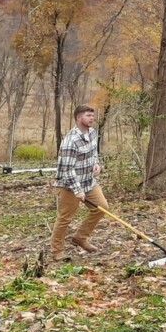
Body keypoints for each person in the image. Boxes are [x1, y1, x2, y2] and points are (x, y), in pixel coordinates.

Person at [50, 103, 106, 257]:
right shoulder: (71, 141)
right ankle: (57, 251)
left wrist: (96, 163)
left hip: (88, 181)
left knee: (102, 207)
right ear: (78, 117)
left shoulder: (93, 133)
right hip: (69, 185)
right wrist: (77, 190)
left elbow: (94, 152)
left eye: (92, 116)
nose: (92, 119)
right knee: (65, 218)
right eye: (88, 116)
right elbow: (67, 169)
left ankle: (80, 237)